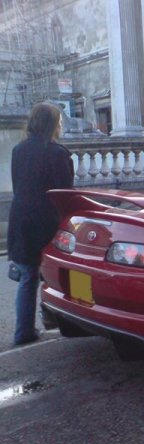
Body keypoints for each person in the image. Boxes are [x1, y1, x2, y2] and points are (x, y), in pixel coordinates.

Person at [7, 102, 74, 345]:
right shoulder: (58, 153)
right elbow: (65, 194)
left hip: (21, 220)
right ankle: (59, 322)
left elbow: (18, 187)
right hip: (48, 222)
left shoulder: (18, 150)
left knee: (28, 278)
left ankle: (23, 332)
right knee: (56, 276)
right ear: (53, 124)